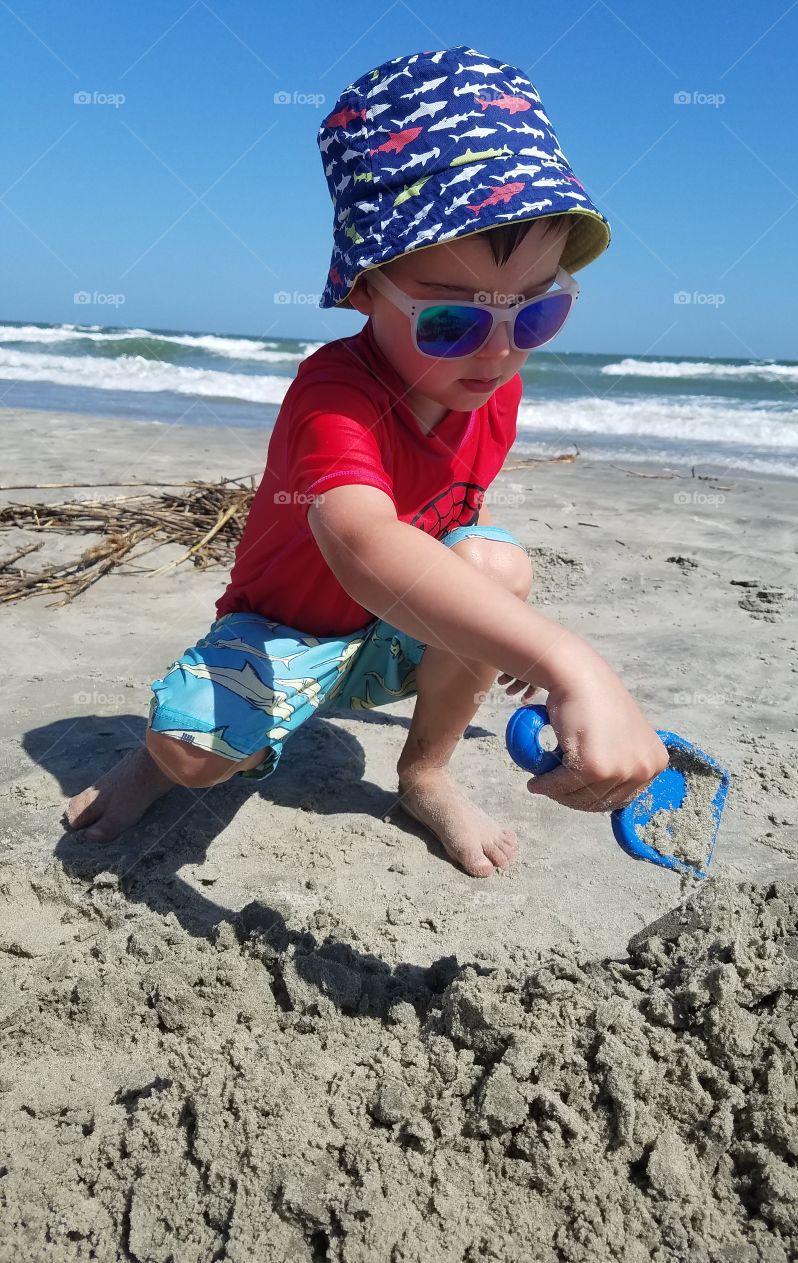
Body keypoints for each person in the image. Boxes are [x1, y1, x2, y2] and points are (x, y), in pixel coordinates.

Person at [65, 45, 669, 877]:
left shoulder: (489, 391)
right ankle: (153, 761)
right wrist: (565, 660)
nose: (498, 352)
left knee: (495, 563)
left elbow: (443, 538)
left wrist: (493, 643)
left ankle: (424, 774)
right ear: (364, 291)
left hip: (395, 633)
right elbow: (366, 547)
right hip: (285, 631)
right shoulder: (334, 394)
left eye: (535, 317)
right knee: (194, 754)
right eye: (450, 324)